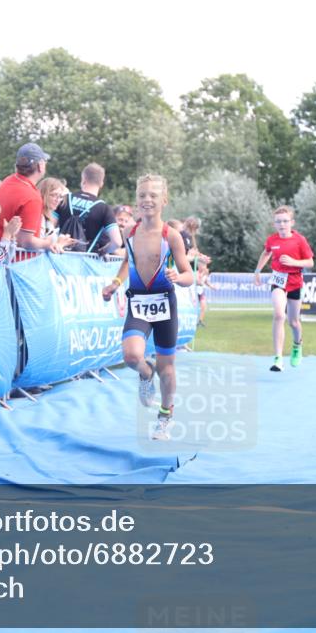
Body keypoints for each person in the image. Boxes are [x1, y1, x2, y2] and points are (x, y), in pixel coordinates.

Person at [101, 175, 194, 441]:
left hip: (165, 306)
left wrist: (179, 278)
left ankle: (165, 416)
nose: (147, 200)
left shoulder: (172, 236)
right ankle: (145, 372)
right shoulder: (129, 232)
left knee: (167, 368)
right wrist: (116, 283)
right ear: (137, 200)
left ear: (164, 200)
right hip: (138, 303)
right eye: (142, 195)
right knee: (131, 356)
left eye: (153, 195)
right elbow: (127, 262)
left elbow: (188, 274)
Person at [253, 206, 314, 371]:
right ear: (274, 224)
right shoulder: (272, 240)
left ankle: (297, 345)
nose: (282, 224)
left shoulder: (300, 240)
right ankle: (278, 358)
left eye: (285, 221)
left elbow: (310, 262)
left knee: (293, 322)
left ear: (292, 222)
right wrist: (257, 271)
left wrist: (294, 262)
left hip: (295, 281)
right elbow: (266, 253)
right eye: (278, 221)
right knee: (279, 315)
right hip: (278, 279)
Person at [0, 142, 73, 255]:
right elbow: (26, 242)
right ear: (40, 166)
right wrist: (48, 243)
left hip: (1, 258)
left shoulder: (7, 181)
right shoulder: (32, 197)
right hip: (18, 263)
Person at [54, 163, 123, 255]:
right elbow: (117, 242)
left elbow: (50, 226)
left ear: (83, 180)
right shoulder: (104, 208)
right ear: (101, 183)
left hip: (59, 258)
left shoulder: (65, 199)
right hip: (86, 261)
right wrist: (102, 251)